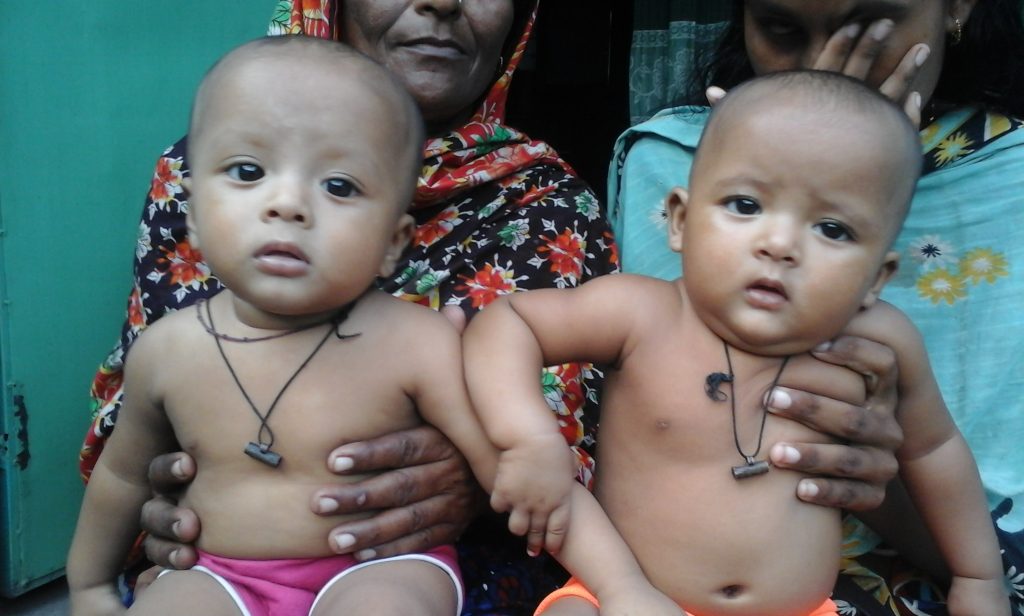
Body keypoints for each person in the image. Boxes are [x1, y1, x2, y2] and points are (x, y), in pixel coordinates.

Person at [81, 1, 908, 613]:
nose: (443, 2)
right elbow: (139, 426)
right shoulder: (202, 170)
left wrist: (497, 467)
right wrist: (197, 494)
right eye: (251, 175)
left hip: (453, 561)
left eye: (341, 186)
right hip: (225, 556)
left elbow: (573, 450)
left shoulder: (546, 195)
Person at [466, 70, 1008, 616]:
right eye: (746, 206)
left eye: (833, 229)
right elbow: (508, 322)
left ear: (875, 278)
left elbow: (934, 449)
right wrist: (528, 439)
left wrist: (976, 575)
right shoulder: (640, 314)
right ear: (679, 221)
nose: (779, 244)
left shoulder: (879, 343)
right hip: (622, 599)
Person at [67, 35, 509, 616]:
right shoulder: (167, 351)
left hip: (379, 566)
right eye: (248, 171)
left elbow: (503, 465)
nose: (287, 203)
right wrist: (91, 586)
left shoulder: (416, 344)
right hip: (220, 572)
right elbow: (122, 479)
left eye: (339, 185)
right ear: (193, 217)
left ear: (392, 244)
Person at [608, 0, 1024, 613]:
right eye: (782, 31)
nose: (824, 65)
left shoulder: (1009, 183)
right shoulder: (672, 159)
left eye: (868, 29)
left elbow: (957, 483)